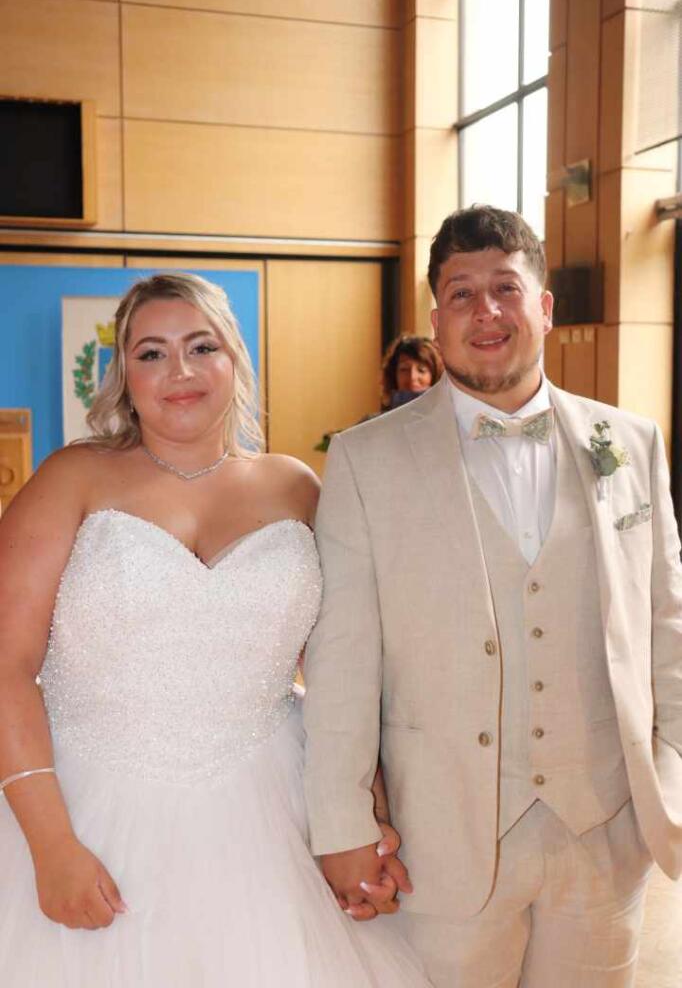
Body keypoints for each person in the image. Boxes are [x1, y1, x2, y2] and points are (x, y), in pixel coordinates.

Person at [0, 272, 432, 986]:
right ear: (124, 374)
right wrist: (50, 846)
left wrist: (364, 815)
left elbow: (341, 673)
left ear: (235, 359)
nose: (180, 370)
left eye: (202, 347)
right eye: (152, 353)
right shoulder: (73, 477)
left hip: (270, 813)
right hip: (87, 810)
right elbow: (7, 665)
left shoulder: (297, 488)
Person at [303, 205, 682, 987]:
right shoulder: (366, 460)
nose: (486, 311)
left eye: (506, 288)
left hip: (604, 832)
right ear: (436, 321)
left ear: (544, 307)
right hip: (438, 842)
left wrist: (672, 780)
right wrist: (340, 822)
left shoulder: (630, 443)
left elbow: (667, 625)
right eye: (462, 294)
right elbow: (341, 661)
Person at [380, 335, 443, 411]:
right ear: (393, 375)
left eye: (421, 370)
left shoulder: (449, 416)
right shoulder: (378, 418)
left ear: (434, 375)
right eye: (404, 369)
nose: (412, 377)